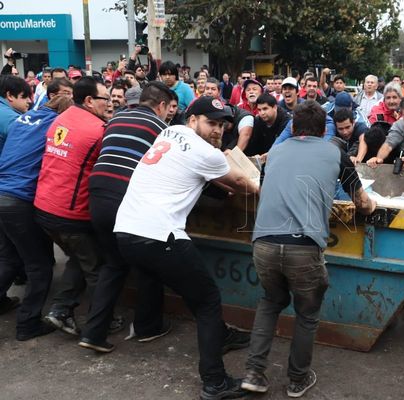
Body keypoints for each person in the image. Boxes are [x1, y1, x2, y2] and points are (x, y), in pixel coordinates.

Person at [113, 96, 259, 399]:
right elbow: (243, 184)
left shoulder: (169, 132)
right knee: (207, 301)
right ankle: (215, 382)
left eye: (222, 125)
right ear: (192, 120)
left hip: (125, 231)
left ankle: (214, 333)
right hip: (158, 235)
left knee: (166, 281)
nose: (217, 130)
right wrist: (256, 184)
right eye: (211, 122)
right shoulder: (208, 153)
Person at [240, 101, 376, 397]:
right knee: (307, 311)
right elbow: (361, 203)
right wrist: (371, 207)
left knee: (270, 302)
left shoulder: (274, 152)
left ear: (292, 127)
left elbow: (266, 190)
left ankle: (253, 372)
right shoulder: (336, 152)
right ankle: (297, 379)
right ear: (323, 129)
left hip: (262, 242)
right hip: (304, 246)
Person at [76, 82, 175, 352]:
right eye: (169, 109)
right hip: (126, 197)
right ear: (162, 106)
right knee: (148, 261)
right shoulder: (161, 129)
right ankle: (148, 326)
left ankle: (93, 333)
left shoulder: (116, 118)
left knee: (113, 264)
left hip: (96, 192)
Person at [33, 77, 109, 336]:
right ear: (89, 100)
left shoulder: (61, 118)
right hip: (71, 213)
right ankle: (101, 324)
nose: (109, 105)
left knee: (78, 258)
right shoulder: (99, 130)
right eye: (105, 100)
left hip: (44, 207)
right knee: (96, 268)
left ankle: (60, 310)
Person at [0, 95, 73, 339]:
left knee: (9, 259)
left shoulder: (24, 119)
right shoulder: (57, 126)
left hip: (2, 192)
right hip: (19, 199)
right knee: (39, 266)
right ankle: (27, 325)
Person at [244, 93, 290, 158]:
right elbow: (253, 144)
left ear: (274, 107)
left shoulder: (286, 122)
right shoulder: (258, 121)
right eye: (259, 110)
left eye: (265, 109)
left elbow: (284, 147)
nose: (262, 113)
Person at [0, 75, 32, 155]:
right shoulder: (8, 116)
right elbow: (29, 135)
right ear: (10, 96)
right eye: (24, 96)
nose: (29, 101)